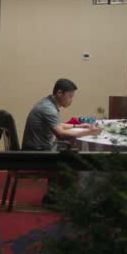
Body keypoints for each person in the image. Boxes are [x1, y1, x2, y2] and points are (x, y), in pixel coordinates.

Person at [21, 78, 102, 206]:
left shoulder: (47, 103)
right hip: (36, 153)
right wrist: (90, 132)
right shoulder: (48, 108)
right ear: (59, 93)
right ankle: (55, 198)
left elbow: (58, 125)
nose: (71, 100)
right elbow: (61, 134)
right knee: (74, 157)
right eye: (70, 96)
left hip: (37, 148)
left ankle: (55, 195)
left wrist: (79, 126)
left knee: (71, 150)